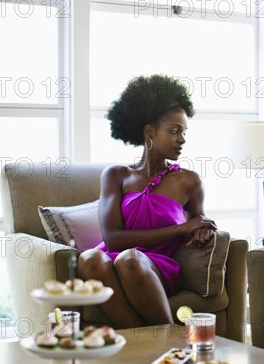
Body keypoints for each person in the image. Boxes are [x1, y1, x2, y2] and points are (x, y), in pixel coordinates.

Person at [77, 74, 217, 328]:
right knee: (89, 259)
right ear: (149, 132)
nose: (182, 139)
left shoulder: (190, 182)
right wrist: (183, 227)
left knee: (130, 260)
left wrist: (202, 230)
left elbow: (201, 224)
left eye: (184, 132)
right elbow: (112, 239)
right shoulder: (115, 175)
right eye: (174, 131)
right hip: (114, 258)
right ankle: (144, 343)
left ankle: (167, 340)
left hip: (156, 267)